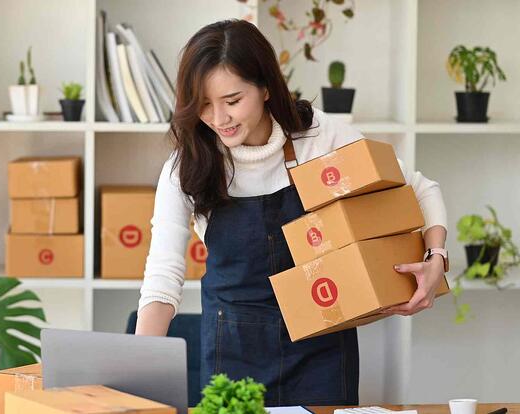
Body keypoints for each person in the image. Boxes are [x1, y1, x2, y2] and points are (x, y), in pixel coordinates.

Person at [135, 20, 448, 406]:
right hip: (232, 354)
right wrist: (140, 377)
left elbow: (420, 188)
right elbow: (163, 274)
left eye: (232, 101)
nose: (218, 119)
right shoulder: (189, 165)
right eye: (203, 104)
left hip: (322, 352)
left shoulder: (318, 137)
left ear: (265, 87)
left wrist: (436, 258)